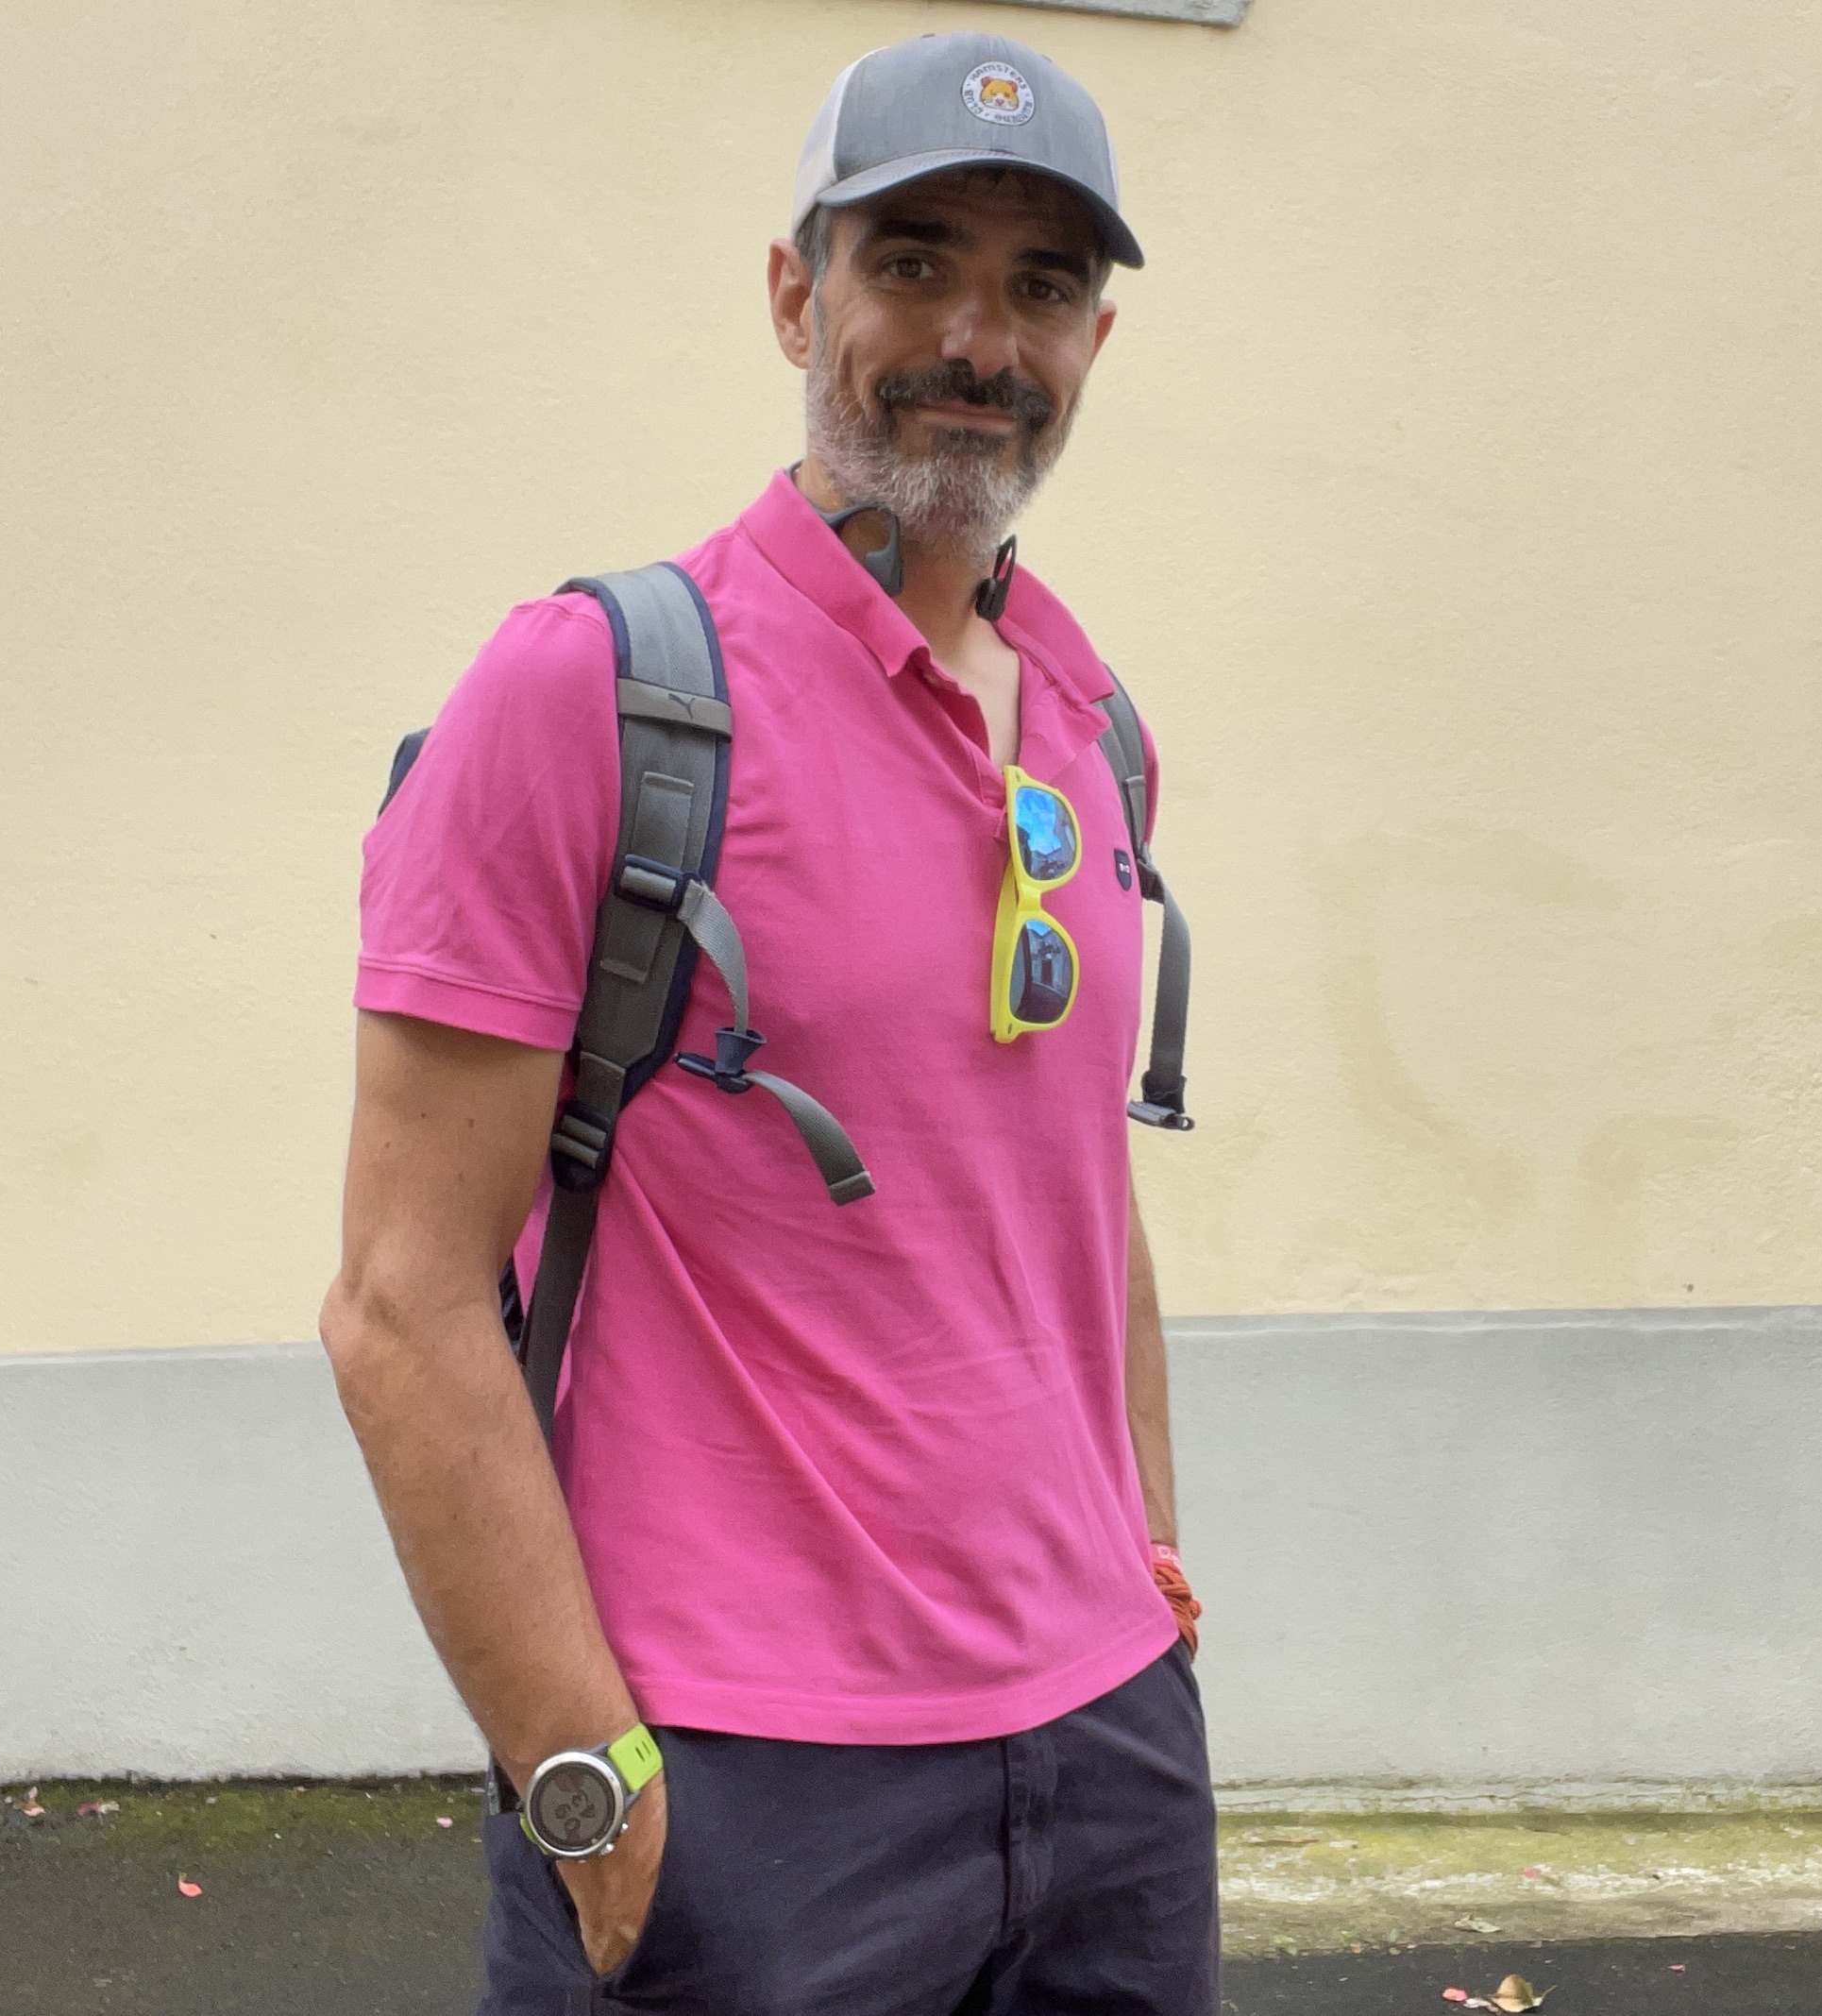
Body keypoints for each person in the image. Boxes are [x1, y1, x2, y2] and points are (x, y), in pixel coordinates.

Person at [320, 28, 1215, 2015]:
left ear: (1093, 342)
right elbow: (398, 1304)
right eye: (914, 263)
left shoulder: (1093, 728)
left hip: (1107, 1755)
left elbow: (1079, 1198)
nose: (976, 339)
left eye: (1041, 286)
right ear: (797, 296)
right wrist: (588, 1790)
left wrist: (1148, 1580)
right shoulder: (593, 693)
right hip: (742, 1781)